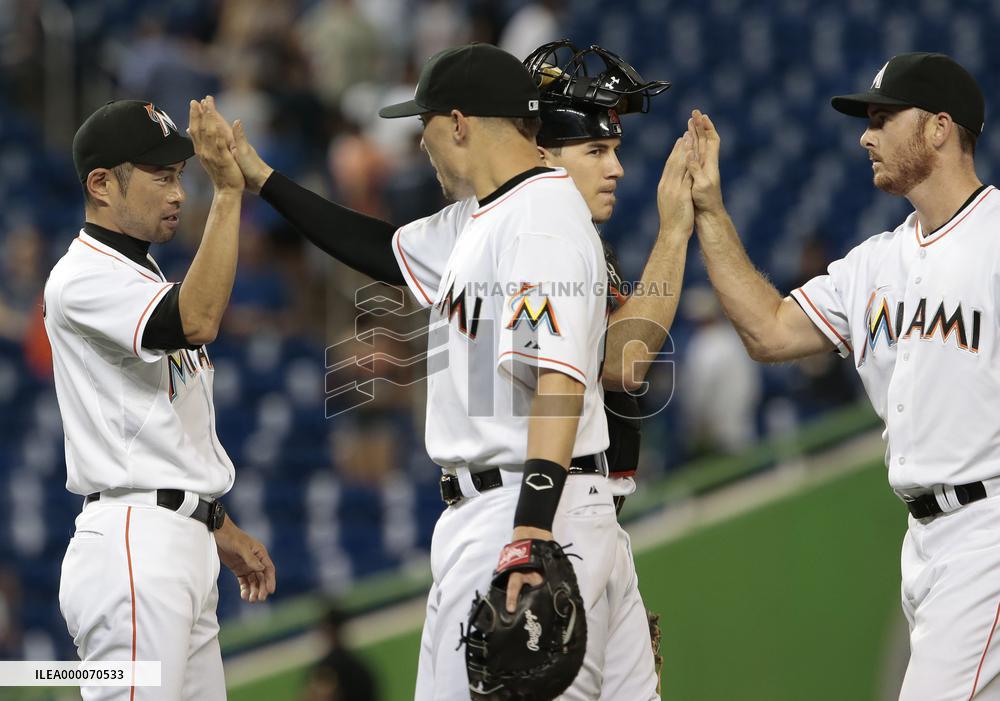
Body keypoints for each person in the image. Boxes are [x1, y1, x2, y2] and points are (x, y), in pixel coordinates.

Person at [225, 42, 692, 700]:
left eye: (425, 128)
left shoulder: (540, 220)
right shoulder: (483, 221)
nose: (420, 147)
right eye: (598, 148)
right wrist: (263, 179)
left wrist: (531, 531)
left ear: (459, 123)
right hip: (545, 511)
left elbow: (559, 383)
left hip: (522, 510)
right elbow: (374, 247)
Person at [684, 52, 999, 699]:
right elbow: (770, 328)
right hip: (924, 544)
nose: (866, 134)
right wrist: (711, 212)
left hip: (987, 533)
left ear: (940, 128)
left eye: (883, 117)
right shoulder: (874, 265)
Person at [45, 97, 276, 700]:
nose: (179, 193)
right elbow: (198, 319)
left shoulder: (141, 275)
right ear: (101, 184)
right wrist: (229, 195)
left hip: (175, 541)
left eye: (180, 176)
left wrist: (218, 524)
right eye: (161, 177)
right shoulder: (82, 276)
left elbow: (162, 431)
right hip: (132, 544)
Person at [525, 40, 688, 698]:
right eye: (595, 150)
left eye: (615, 149)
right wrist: (675, 228)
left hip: (588, 515)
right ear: (541, 155)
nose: (616, 167)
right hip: (550, 513)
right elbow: (626, 360)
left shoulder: (579, 241)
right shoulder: (543, 240)